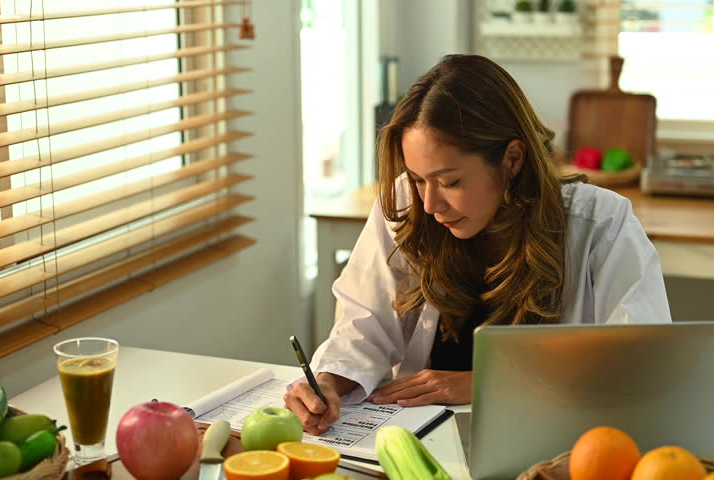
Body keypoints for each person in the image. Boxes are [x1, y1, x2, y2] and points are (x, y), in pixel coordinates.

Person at [284, 54, 672, 436]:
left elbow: (638, 363)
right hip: (425, 431)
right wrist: (330, 380)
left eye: (450, 182)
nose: (430, 204)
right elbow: (366, 322)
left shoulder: (601, 224)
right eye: (418, 179)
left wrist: (486, 382)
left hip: (553, 437)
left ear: (512, 160)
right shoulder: (408, 205)